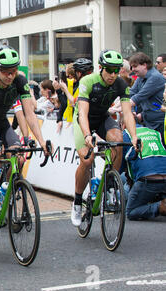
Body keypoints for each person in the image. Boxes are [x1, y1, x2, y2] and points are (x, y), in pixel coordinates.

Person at [0, 45, 50, 233]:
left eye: (13, 72)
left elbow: (29, 114)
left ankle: (5, 188)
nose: (10, 76)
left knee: (20, 156)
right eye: (6, 72)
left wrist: (41, 140)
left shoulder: (20, 81)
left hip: (2, 123)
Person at [71, 50, 139, 227]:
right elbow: (83, 113)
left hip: (102, 118)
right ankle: (77, 201)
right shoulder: (88, 81)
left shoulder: (120, 84)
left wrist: (134, 136)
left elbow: (127, 113)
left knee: (118, 140)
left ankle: (109, 184)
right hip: (83, 119)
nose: (113, 74)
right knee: (87, 160)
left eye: (116, 70)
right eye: (109, 70)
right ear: (101, 68)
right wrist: (87, 135)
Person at [120, 126, 166, 220]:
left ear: (123, 125)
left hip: (148, 180)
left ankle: (160, 206)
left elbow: (119, 168)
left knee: (130, 212)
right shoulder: (155, 132)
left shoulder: (125, 135)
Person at [129, 52, 166, 145]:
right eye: (131, 67)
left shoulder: (155, 77)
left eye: (135, 66)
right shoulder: (140, 77)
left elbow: (139, 96)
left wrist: (119, 108)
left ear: (144, 65)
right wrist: (132, 110)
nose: (133, 70)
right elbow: (131, 94)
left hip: (160, 123)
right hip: (148, 122)